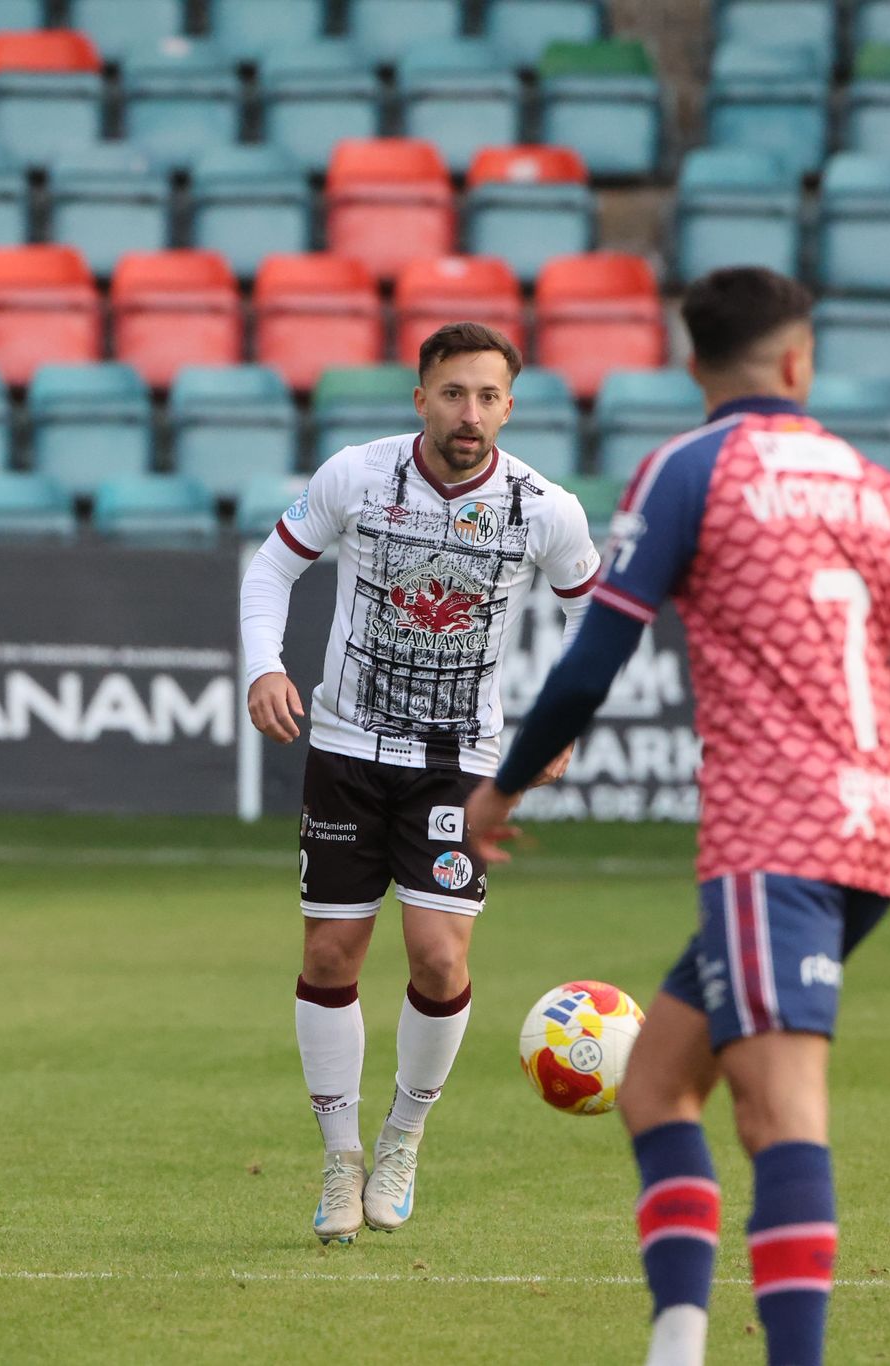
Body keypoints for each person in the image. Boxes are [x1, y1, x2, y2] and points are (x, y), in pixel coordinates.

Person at [465, 268, 890, 1365]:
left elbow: (591, 660)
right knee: (654, 1083)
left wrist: (498, 788)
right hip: (870, 836)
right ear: (799, 362)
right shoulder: (875, 485)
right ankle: (678, 1346)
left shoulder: (694, 468)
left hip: (769, 845)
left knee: (780, 1114)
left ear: (692, 366)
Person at [240, 322, 601, 1244]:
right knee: (331, 959)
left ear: (508, 408)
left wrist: (559, 719)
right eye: (452, 393)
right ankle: (339, 1158)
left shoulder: (543, 508)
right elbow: (272, 566)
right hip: (348, 747)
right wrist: (263, 667)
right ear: (421, 399)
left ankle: (402, 1138)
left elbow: (593, 612)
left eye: (487, 397)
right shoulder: (357, 477)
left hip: (461, 761)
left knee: (439, 958)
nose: (468, 413)